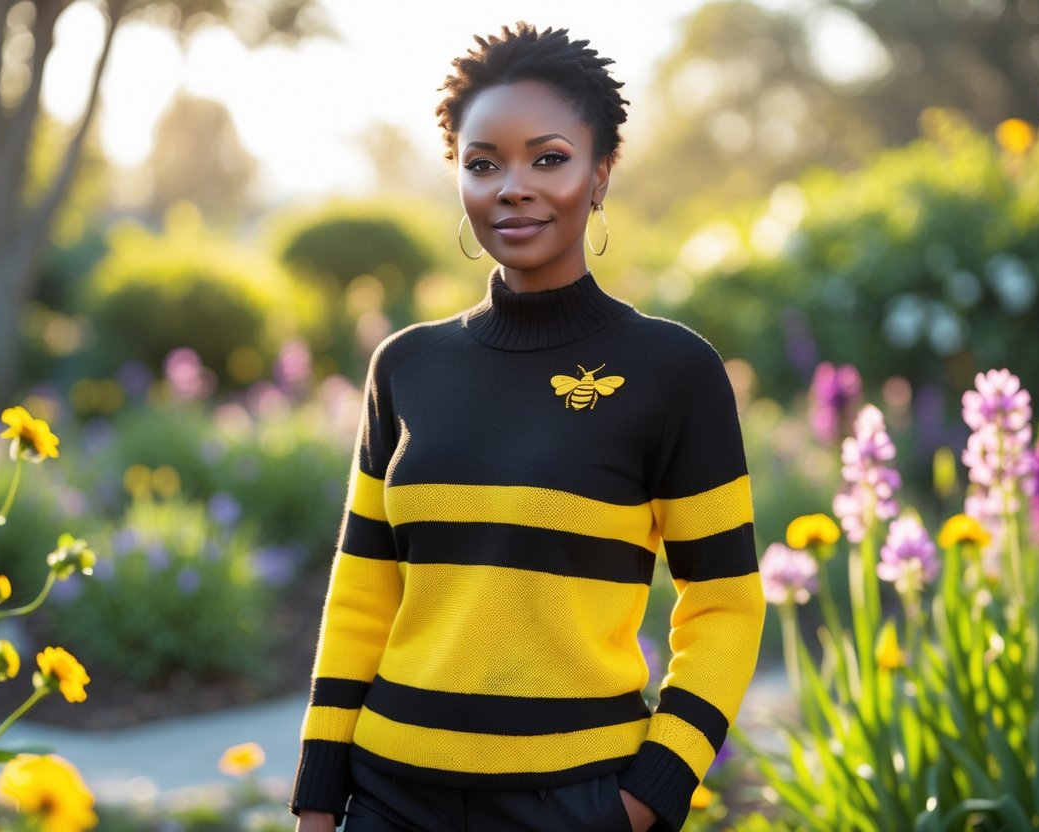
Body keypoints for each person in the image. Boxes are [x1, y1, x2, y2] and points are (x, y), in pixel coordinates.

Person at [290, 21, 766, 832]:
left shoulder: (671, 371)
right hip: (389, 799)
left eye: (548, 158)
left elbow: (723, 601)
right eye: (483, 164)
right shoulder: (405, 367)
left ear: (600, 172)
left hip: (577, 803)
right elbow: (361, 598)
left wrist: (649, 793)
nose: (512, 186)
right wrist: (317, 800)